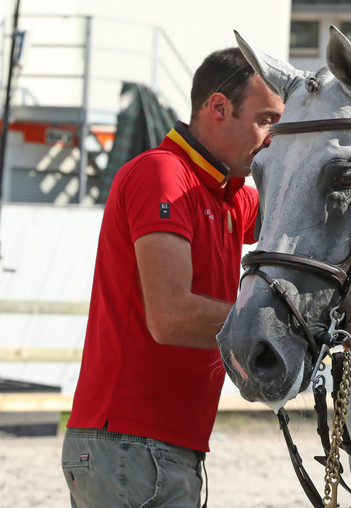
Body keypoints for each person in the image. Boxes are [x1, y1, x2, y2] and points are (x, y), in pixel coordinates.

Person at [61, 47, 283, 507]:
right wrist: (283, 323)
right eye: (266, 121)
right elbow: (171, 317)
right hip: (131, 443)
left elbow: (308, 216)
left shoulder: (227, 195)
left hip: (151, 447)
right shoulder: (162, 174)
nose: (273, 140)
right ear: (218, 108)